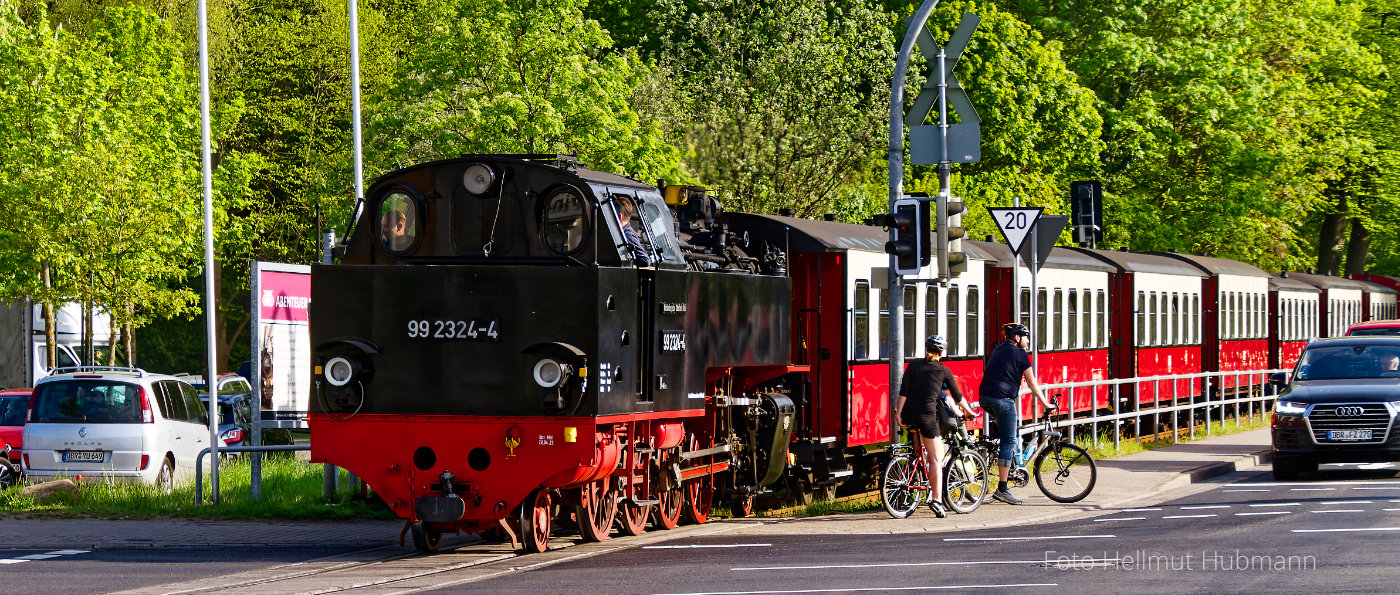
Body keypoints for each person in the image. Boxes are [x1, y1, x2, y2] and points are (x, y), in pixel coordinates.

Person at [896, 334, 977, 518]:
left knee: (920, 451)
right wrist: (969, 412)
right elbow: (957, 397)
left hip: (909, 414)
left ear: (926, 349)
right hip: (927, 417)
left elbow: (903, 392)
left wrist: (898, 414)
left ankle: (914, 480)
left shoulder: (913, 366)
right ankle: (936, 500)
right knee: (935, 460)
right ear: (941, 352)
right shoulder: (943, 370)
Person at [979, 323, 1055, 505]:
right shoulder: (1020, 353)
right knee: (1009, 440)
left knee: (1008, 433)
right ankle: (1002, 489)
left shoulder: (998, 350)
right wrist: (1046, 404)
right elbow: (1032, 383)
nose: (1028, 341)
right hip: (1003, 400)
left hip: (985, 398)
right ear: (1017, 338)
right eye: (1026, 337)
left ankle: (1004, 462)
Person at [616, 197, 652, 267]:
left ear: (619, 216)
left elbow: (645, 260)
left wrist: (623, 259)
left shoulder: (628, 235)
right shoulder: (622, 232)